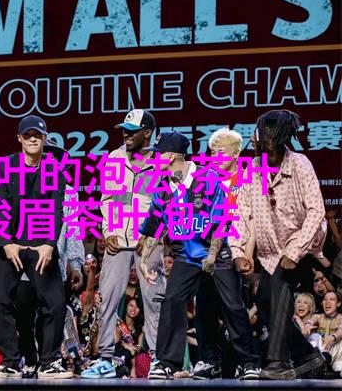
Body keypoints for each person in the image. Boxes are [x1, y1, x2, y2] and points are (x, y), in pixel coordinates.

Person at [137, 132, 260, 380]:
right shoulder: (163, 188)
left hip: (219, 253)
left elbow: (220, 223)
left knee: (232, 305)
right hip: (187, 254)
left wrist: (211, 258)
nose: (152, 159)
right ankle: (166, 362)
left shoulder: (208, 179)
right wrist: (143, 261)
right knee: (172, 299)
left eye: (157, 154)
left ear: (171, 156)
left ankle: (249, 362)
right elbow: (154, 227)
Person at [230, 109, 327, 380]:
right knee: (263, 300)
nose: (252, 138)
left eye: (258, 133)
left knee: (280, 289)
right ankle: (308, 356)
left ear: (271, 140)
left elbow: (316, 211)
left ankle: (279, 362)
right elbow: (241, 213)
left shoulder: (299, 165)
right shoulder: (253, 169)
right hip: (273, 250)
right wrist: (238, 252)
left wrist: (295, 252)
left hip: (304, 243)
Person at [82, 109, 164, 379]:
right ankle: (105, 358)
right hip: (118, 242)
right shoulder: (114, 159)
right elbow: (108, 200)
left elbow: (167, 205)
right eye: (124, 130)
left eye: (132, 130)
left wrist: (151, 236)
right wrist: (108, 232)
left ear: (147, 133)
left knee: (154, 300)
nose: (126, 134)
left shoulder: (161, 162)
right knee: (107, 299)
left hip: (147, 244)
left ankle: (157, 360)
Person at [0, 115, 71, 379]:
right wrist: (5, 243)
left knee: (55, 302)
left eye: (37, 135)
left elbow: (55, 209)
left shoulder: (53, 170)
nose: (32, 139)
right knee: (0, 300)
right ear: (19, 138)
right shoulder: (5, 166)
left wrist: (49, 244)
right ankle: (11, 361)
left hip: (40, 242)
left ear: (45, 138)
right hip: (10, 241)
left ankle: (49, 361)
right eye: (27, 135)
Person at [189, 127, 260, 380]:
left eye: (222, 152)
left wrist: (247, 252)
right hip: (205, 249)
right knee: (204, 305)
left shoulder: (249, 179)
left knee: (233, 305)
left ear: (236, 153)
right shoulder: (203, 179)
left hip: (233, 248)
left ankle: (248, 362)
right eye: (212, 152)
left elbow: (255, 219)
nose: (216, 157)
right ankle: (209, 361)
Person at [14, 139, 85, 378]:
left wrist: (76, 264)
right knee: (23, 315)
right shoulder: (21, 186)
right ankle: (30, 359)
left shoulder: (69, 192)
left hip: (53, 264)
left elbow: (73, 230)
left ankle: (48, 360)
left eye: (55, 158)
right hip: (24, 264)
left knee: (52, 313)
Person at [303, 291, 342, 376]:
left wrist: (333, 337)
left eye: (331, 299)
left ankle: (337, 369)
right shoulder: (318, 317)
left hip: (334, 352)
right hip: (320, 352)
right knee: (314, 336)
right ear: (322, 303)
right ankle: (318, 365)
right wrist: (308, 325)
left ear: (338, 304)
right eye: (325, 300)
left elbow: (341, 330)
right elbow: (311, 320)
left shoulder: (340, 318)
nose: (327, 302)